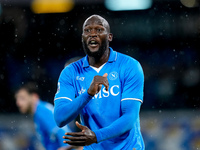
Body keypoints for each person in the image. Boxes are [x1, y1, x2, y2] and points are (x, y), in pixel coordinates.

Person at [54, 14, 145, 150]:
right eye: (87, 30)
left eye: (99, 30)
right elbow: (60, 118)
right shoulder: (70, 72)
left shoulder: (129, 66)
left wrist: (96, 136)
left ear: (109, 37)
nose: (92, 34)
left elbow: (129, 117)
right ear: (82, 38)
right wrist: (88, 94)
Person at [15, 82, 73, 150]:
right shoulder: (38, 113)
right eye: (17, 99)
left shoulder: (42, 111)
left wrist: (66, 147)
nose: (18, 103)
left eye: (22, 98)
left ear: (34, 97)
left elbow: (62, 130)